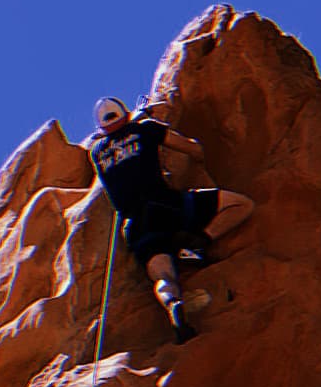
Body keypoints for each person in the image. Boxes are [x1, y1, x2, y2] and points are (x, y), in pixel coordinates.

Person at [86, 95, 253, 336]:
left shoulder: (97, 152)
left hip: (135, 225)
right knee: (241, 204)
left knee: (162, 277)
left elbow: (119, 144)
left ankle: (173, 305)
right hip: (167, 205)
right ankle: (199, 242)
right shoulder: (145, 129)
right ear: (125, 114)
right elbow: (192, 147)